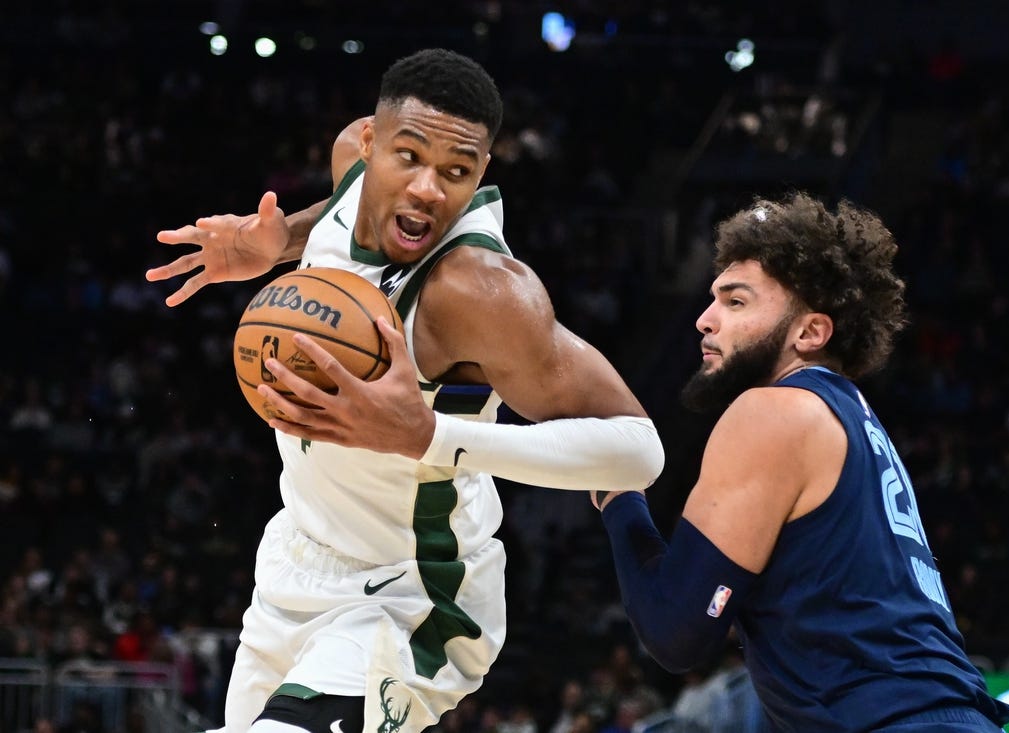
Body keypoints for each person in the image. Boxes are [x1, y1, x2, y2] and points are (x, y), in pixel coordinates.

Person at [148, 48, 663, 733]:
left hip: (413, 594)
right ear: (368, 143)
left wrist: (432, 437)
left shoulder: (479, 292)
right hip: (294, 560)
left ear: (481, 173)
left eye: (456, 172)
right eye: (408, 158)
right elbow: (340, 213)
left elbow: (639, 452)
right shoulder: (349, 167)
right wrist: (271, 246)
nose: (427, 190)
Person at [592, 192, 1009, 732]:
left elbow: (676, 631)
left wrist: (618, 494)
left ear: (809, 333)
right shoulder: (852, 416)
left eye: (735, 302)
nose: (704, 319)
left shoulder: (774, 411)